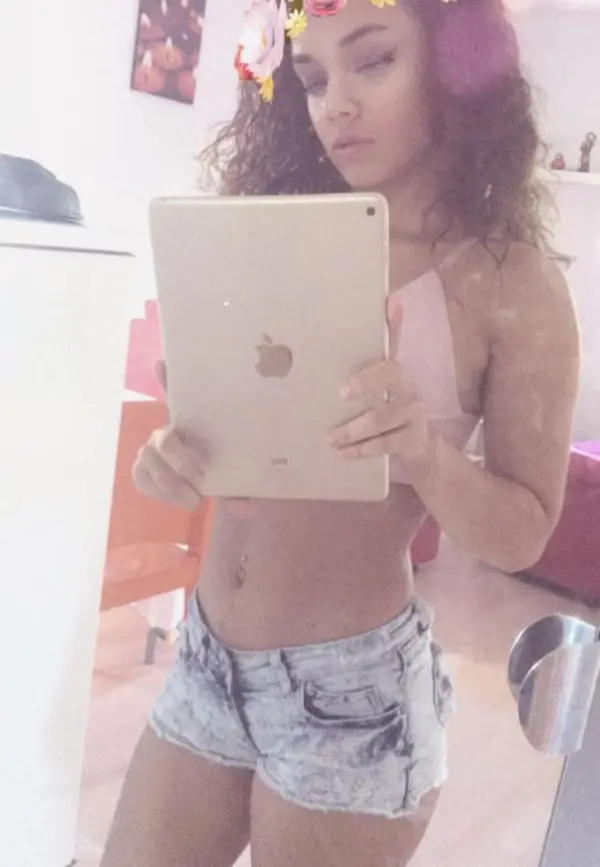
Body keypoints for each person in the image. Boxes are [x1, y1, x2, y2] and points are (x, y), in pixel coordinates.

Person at [101, 2, 580, 866]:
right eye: (313, 78)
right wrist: (178, 455)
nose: (336, 106)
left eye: (374, 61)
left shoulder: (509, 281)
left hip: (351, 703)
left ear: (451, 66)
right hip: (206, 660)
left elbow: (523, 533)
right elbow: (225, 446)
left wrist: (424, 451)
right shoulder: (265, 230)